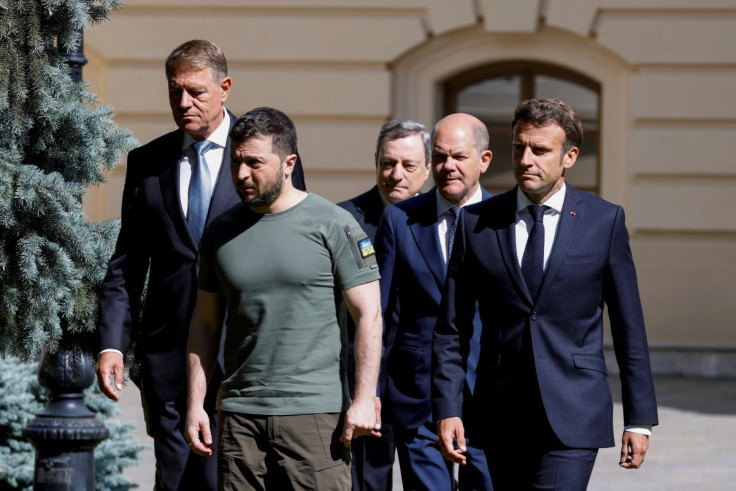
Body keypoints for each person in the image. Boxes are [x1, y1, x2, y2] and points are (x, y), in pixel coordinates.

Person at [94, 40, 306, 490]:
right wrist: (112, 344)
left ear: (224, 88)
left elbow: (293, 254)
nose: (184, 103)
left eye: (196, 92)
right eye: (175, 92)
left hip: (246, 356)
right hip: (169, 357)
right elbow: (126, 265)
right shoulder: (148, 163)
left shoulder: (263, 158)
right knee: (175, 482)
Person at [433, 98, 659, 490]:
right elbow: (452, 329)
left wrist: (639, 419)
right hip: (500, 414)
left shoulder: (604, 222)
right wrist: (449, 409)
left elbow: (629, 329)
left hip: (574, 413)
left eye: (539, 150)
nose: (525, 160)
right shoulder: (476, 224)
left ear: (569, 156)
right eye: (519, 147)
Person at [185, 107, 383, 490]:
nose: (242, 174)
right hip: (240, 416)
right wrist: (197, 404)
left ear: (289, 163)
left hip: (313, 416)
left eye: (255, 163)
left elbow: (369, 315)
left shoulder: (334, 225)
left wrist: (363, 398)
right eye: (236, 162)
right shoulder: (219, 233)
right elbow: (205, 322)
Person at [375, 113, 494, 490]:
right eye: (440, 157)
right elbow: (377, 316)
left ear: (484, 161)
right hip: (416, 395)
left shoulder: (505, 222)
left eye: (459, 157)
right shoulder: (399, 220)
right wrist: (370, 392)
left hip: (485, 396)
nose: (448, 167)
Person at [338, 119, 431, 490]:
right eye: (387, 163)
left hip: (421, 388)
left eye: (408, 165)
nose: (396, 175)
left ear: (427, 168)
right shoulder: (344, 220)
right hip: (359, 383)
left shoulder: (445, 221)